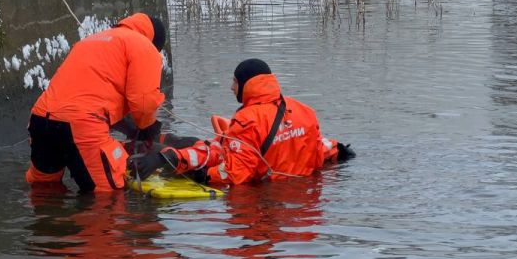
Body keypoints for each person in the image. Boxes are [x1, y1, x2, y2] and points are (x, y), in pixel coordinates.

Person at [130, 58, 354, 184]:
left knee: (195, 145)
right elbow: (318, 148)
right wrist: (339, 149)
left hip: (264, 203)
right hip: (304, 206)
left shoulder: (248, 121)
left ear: (248, 84)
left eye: (235, 82)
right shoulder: (303, 111)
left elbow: (234, 172)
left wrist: (201, 175)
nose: (231, 87)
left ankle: (163, 152)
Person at [25, 12, 167, 192]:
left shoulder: (91, 40)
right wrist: (147, 128)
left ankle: (47, 219)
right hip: (82, 126)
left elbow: (89, 97)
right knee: (108, 200)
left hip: (41, 120)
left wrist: (130, 130)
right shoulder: (143, 46)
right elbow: (144, 102)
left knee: (44, 190)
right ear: (155, 43)